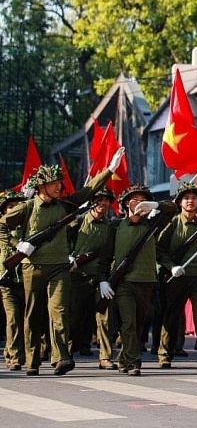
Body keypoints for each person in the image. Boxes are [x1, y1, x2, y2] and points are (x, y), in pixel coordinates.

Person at [0, 147, 123, 376]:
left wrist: (109, 170)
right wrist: (18, 244)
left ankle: (61, 358)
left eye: (59, 182)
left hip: (59, 267)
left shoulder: (65, 205)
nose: (59, 186)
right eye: (54, 182)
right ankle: (32, 361)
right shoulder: (26, 208)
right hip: (32, 267)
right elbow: (2, 226)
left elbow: (88, 191)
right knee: (33, 314)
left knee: (59, 311)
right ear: (41, 186)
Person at [99, 184, 178, 376]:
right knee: (128, 323)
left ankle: (124, 358)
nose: (138, 203)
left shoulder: (153, 224)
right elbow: (105, 258)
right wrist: (103, 280)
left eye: (143, 200)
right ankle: (135, 363)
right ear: (126, 204)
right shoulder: (115, 226)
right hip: (124, 282)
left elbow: (172, 208)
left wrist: (154, 205)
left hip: (147, 282)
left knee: (141, 322)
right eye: (134, 200)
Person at [156, 181, 197, 370]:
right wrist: (171, 266)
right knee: (172, 315)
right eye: (186, 198)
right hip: (177, 276)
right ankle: (164, 354)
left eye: (194, 198)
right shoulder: (172, 223)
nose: (190, 201)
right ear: (180, 202)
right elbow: (159, 249)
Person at [68, 188, 115, 369]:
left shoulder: (111, 227)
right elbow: (61, 241)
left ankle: (105, 357)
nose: (102, 203)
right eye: (98, 199)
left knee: (104, 317)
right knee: (74, 317)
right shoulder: (77, 222)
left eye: (106, 200)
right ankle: (67, 353)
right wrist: (69, 257)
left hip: (100, 278)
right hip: (77, 277)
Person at [0, 190, 27, 371]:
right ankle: (15, 356)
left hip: (24, 279)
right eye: (10, 207)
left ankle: (14, 352)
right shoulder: (1, 231)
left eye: (17, 206)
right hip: (5, 280)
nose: (14, 209)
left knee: (25, 319)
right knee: (13, 318)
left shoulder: (26, 229)